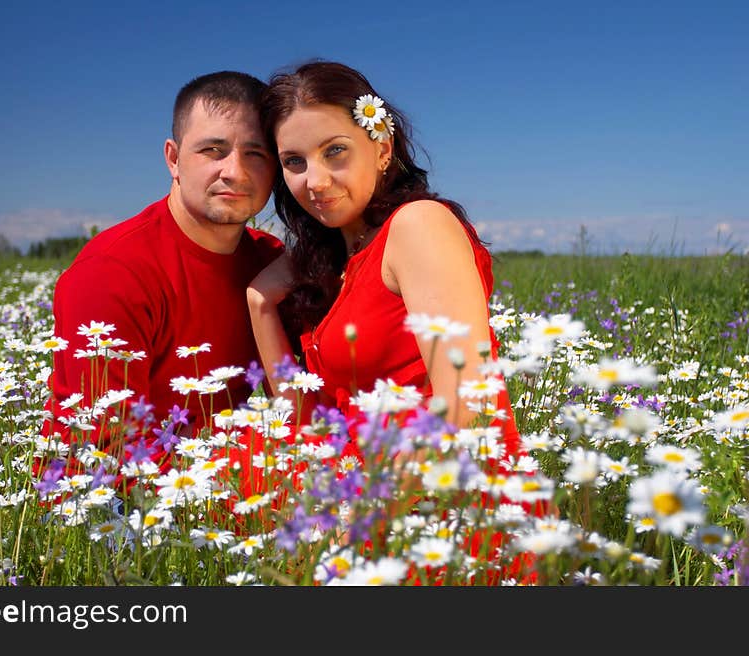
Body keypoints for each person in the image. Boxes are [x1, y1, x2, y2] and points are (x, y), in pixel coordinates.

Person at [225, 61, 542, 582]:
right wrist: (260, 300)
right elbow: (307, 421)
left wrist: (355, 511)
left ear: (382, 147)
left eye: (335, 151)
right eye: (294, 161)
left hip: (443, 507)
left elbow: (466, 408)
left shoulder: (418, 227)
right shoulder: (339, 263)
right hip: (363, 490)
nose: (315, 181)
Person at [40, 71, 282, 477]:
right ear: (173, 158)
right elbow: (105, 448)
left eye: (256, 154)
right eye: (213, 150)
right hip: (112, 505)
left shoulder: (271, 265)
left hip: (224, 477)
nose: (236, 172)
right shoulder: (112, 271)